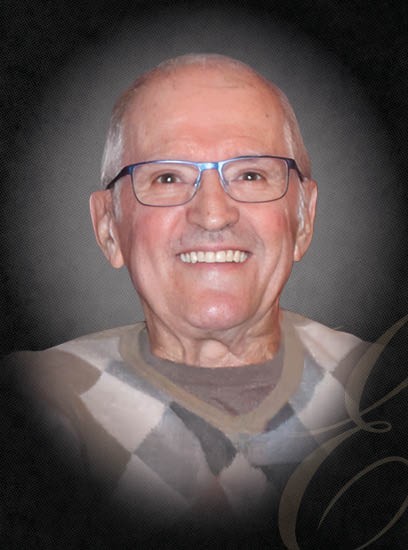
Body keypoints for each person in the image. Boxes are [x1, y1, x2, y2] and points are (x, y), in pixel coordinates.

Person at [3, 54, 372, 548]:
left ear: (304, 219)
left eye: (250, 175)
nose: (213, 214)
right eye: (168, 178)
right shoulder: (34, 401)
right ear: (109, 228)